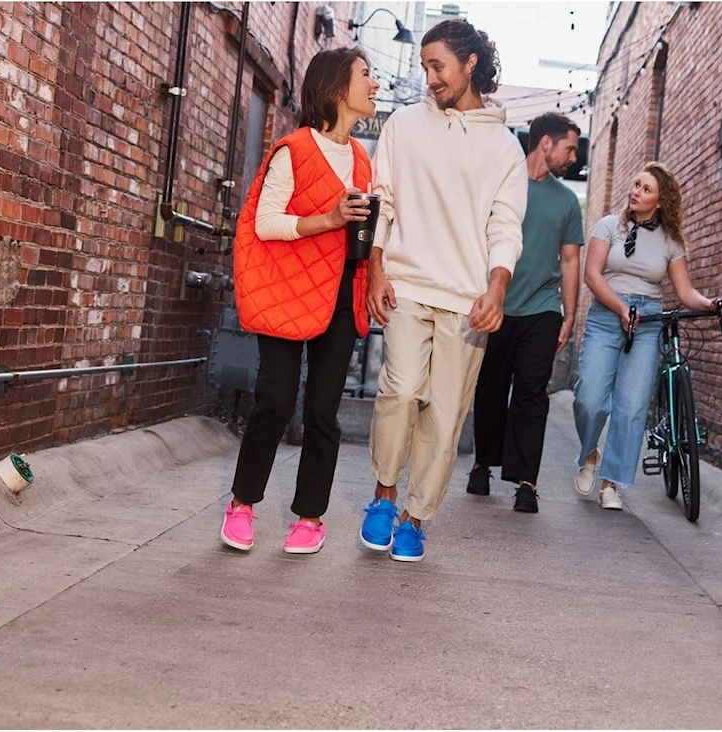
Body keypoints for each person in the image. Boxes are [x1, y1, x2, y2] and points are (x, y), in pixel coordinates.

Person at [358, 19, 528, 561]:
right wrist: (374, 269)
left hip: (466, 298)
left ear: (469, 63)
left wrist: (497, 286)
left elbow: (505, 224)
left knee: (445, 413)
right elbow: (380, 199)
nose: (428, 77)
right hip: (406, 284)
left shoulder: (504, 147)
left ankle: (416, 517)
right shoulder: (404, 126)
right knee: (401, 389)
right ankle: (384, 497)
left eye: (437, 66)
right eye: (424, 66)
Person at [220, 47, 380, 554]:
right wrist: (329, 220)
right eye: (366, 75)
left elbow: (365, 231)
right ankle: (242, 505)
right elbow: (264, 223)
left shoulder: (360, 156)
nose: (375, 84)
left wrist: (377, 266)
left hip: (338, 294)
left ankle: (310, 518)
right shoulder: (293, 149)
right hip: (288, 292)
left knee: (323, 412)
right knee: (275, 400)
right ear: (336, 88)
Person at [573, 162, 722, 509]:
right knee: (590, 398)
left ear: (659, 202)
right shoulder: (609, 226)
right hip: (606, 315)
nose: (635, 192)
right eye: (636, 185)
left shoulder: (671, 241)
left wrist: (710, 303)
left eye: (645, 189)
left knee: (630, 407)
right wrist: (620, 308)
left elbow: (686, 292)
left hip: (647, 321)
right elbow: (592, 275)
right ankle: (590, 454)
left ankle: (612, 483)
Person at [466, 112, 584, 513]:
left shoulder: (567, 201)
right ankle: (482, 463)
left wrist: (569, 315)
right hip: (497, 306)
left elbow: (570, 260)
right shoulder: (501, 184)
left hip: (542, 308)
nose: (574, 157)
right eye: (569, 148)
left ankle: (526, 482)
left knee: (532, 394)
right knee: (491, 388)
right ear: (546, 144)